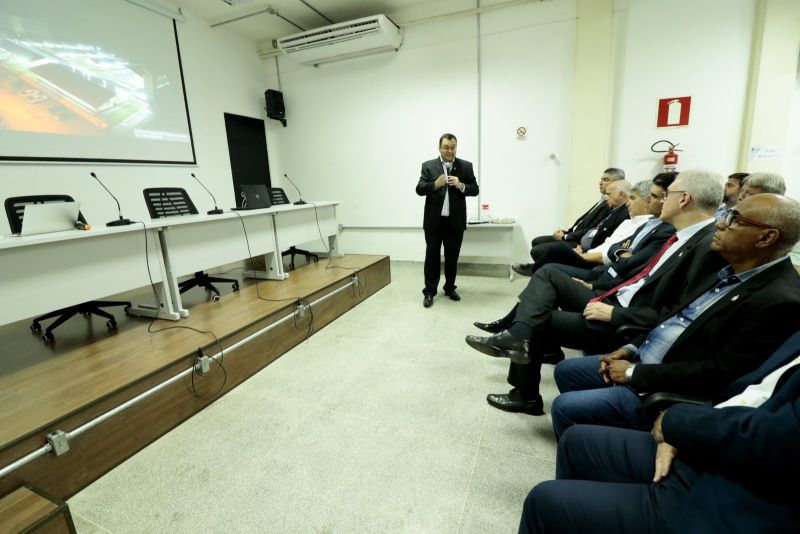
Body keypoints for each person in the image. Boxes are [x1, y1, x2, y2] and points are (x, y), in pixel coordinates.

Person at [466, 170, 725, 415]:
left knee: (540, 313)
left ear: (684, 199)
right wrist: (602, 288)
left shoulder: (706, 247)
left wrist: (614, 314)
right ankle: (519, 340)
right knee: (548, 276)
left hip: (622, 317)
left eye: (666, 194)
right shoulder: (682, 237)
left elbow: (674, 313)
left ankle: (525, 387)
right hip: (612, 295)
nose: (659, 200)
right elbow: (637, 273)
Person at [550, 193, 800, 438]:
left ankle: (603, 451)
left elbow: (720, 373)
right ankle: (594, 443)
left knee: (566, 407)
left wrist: (632, 374)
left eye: (734, 219)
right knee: (566, 371)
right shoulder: (727, 270)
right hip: (644, 359)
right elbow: (673, 318)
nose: (721, 223)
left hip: (665, 388)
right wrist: (631, 347)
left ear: (766, 237)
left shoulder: (780, 300)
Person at [518, 329, 800, 534]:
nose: (715, 241)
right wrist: (690, 427)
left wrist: (679, 422)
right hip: (707, 436)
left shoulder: (778, 296)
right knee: (576, 441)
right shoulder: (721, 277)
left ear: (766, 241)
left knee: (544, 501)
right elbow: (740, 392)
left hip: (733, 491)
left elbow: (777, 439)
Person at [513, 168, 625, 275]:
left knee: (543, 249)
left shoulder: (611, 206)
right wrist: (566, 231)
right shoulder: (606, 201)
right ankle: (541, 271)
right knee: (537, 241)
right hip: (581, 240)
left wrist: (566, 238)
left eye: (605, 180)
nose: (600, 182)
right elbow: (587, 225)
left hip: (581, 244)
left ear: (617, 185)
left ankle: (537, 270)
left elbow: (594, 231)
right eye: (601, 179)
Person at [416, 133, 479, 308]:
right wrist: (435, 184)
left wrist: (461, 185)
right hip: (434, 223)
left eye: (453, 147)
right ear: (439, 148)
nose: (450, 150)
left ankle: (450, 288)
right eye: (446, 147)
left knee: (452, 258)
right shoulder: (428, 166)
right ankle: (429, 291)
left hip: (455, 223)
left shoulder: (465, 166)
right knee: (432, 258)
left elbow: (475, 189)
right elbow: (419, 189)